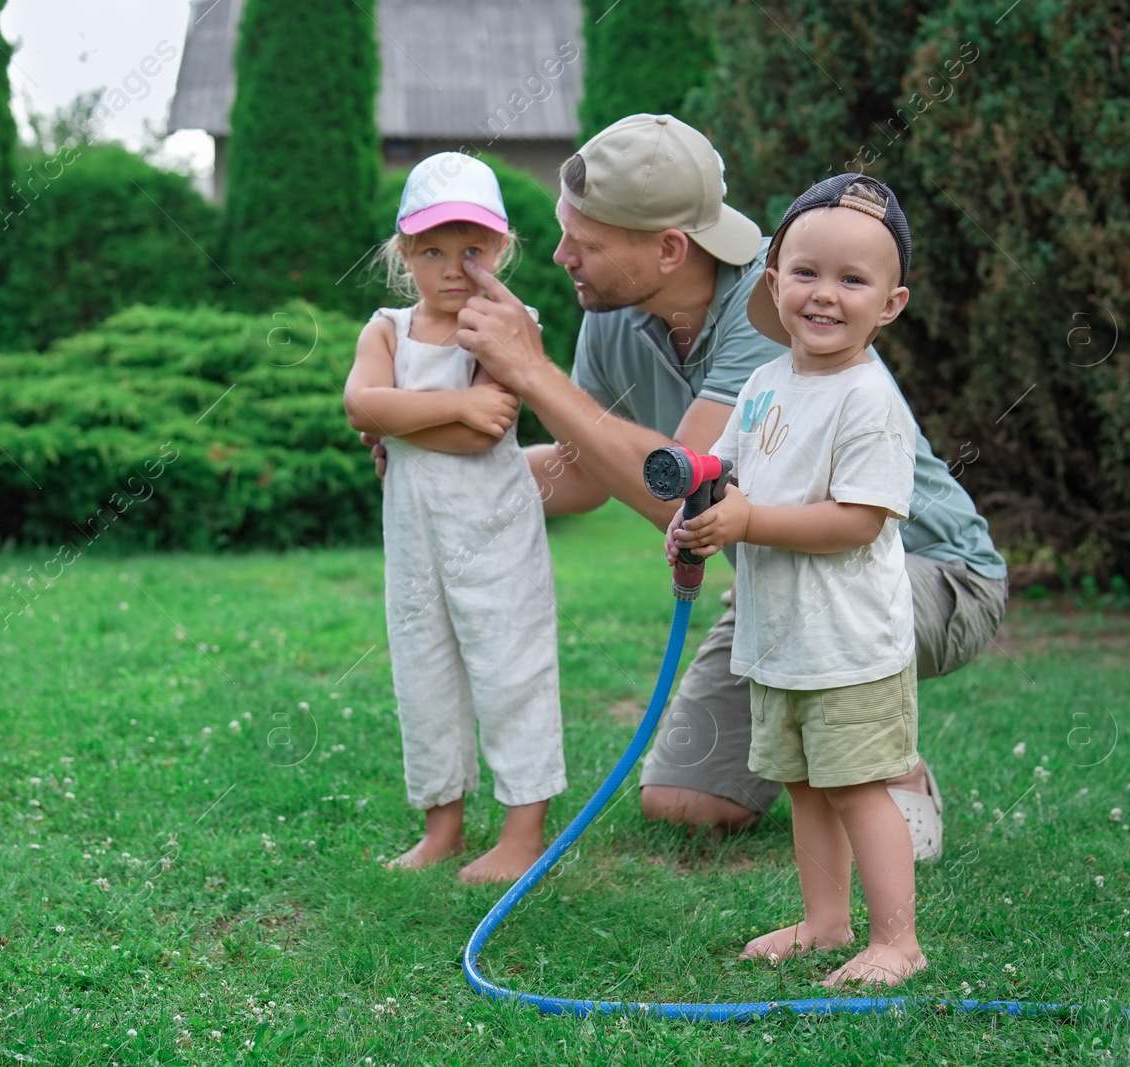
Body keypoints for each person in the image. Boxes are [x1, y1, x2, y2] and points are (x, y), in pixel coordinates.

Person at [444, 113, 1008, 860]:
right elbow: (583, 472)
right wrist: (447, 470)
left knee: (842, 727)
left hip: (924, 575)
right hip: (783, 584)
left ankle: (885, 762)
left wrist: (531, 373)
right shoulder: (613, 319)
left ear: (671, 248)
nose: (561, 255)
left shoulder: (777, 312)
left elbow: (685, 491)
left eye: (587, 241)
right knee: (684, 802)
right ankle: (833, 752)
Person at [668, 173, 924, 987]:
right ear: (774, 284)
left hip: (849, 643)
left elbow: (858, 518)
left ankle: (897, 941)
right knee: (806, 785)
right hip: (781, 638)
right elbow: (737, 476)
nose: (825, 295)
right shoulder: (766, 382)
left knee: (857, 789)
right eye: (807, 273)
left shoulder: (869, 399)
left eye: (853, 281)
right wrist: (701, 516)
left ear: (890, 303)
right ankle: (825, 921)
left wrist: (749, 523)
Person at [343, 152, 566, 884]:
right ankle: (442, 824)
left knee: (510, 667)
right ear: (405, 252)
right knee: (424, 667)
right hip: (415, 540)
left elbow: (486, 430)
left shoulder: (506, 327)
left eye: (471, 250)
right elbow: (361, 405)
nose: (452, 267)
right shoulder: (386, 330)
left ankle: (522, 832)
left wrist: (409, 419)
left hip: (494, 536)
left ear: (500, 249)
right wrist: (452, 403)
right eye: (432, 250)